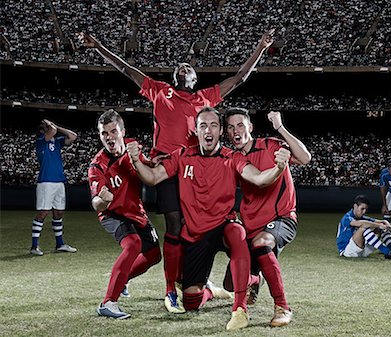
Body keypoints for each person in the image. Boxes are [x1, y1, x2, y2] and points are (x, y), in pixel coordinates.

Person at [77, 29, 275, 313]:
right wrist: (98, 46)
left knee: (198, 228)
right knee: (173, 225)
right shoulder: (159, 90)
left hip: (196, 170)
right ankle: (171, 290)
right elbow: (125, 68)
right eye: (179, 68)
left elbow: (240, 78)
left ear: (195, 80)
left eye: (190, 68)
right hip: (167, 168)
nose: (184, 67)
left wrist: (260, 46)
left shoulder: (205, 100)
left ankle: (207, 278)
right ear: (174, 78)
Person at [127, 107, 291, 330]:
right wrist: (136, 160)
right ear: (196, 130)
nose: (208, 129)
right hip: (196, 233)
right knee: (191, 301)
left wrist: (279, 168)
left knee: (237, 232)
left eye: (213, 125)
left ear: (220, 130)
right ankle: (218, 289)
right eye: (203, 125)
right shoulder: (183, 156)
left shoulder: (232, 157)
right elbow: (153, 177)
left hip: (224, 225)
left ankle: (240, 309)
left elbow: (260, 179)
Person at [223, 108, 311, 327]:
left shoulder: (270, 145)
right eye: (231, 127)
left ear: (250, 127)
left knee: (262, 242)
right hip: (250, 225)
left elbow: (305, 157)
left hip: (281, 218)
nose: (236, 131)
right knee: (231, 283)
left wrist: (280, 128)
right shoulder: (234, 159)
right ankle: (256, 278)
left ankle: (282, 307)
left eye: (241, 125)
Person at [88, 110, 162, 319]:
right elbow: (96, 204)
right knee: (133, 244)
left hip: (136, 211)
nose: (109, 137)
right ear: (100, 136)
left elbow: (147, 166)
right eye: (104, 134)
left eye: (113, 131)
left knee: (154, 255)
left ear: (122, 131)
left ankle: (123, 280)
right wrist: (104, 199)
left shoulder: (133, 146)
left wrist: (152, 161)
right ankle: (108, 303)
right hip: (113, 214)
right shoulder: (97, 166)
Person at [30, 119, 78, 256]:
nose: (49, 128)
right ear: (41, 130)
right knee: (43, 212)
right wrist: (53, 127)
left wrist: (56, 126)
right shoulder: (40, 141)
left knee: (58, 213)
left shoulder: (56, 142)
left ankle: (60, 244)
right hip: (46, 182)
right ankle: (34, 246)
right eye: (46, 127)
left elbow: (73, 136)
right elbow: (52, 131)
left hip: (59, 181)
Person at [336, 195, 391, 260]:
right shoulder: (347, 218)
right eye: (362, 209)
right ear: (355, 206)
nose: (364, 212)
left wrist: (384, 222)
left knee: (379, 228)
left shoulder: (360, 217)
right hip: (348, 251)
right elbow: (363, 224)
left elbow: (377, 221)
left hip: (361, 250)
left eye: (365, 209)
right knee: (363, 228)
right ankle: (387, 252)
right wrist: (379, 225)